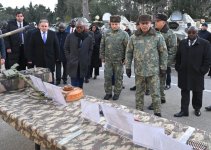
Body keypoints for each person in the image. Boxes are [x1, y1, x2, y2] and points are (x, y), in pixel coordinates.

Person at [125, 14, 168, 117]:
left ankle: (157, 112)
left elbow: (163, 52)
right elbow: (129, 52)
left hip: (153, 71)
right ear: (139, 24)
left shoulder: (157, 36)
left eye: (146, 23)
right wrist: (127, 67)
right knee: (139, 93)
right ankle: (139, 112)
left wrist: (163, 67)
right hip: (139, 71)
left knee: (155, 93)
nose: (144, 26)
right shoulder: (133, 37)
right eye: (142, 23)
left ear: (151, 23)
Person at [174, 26, 211, 117]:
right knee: (185, 92)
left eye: (193, 32)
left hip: (197, 73)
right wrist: (178, 67)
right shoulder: (183, 43)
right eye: (189, 32)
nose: (191, 34)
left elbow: (207, 59)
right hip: (184, 73)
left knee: (197, 93)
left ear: (197, 33)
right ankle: (184, 111)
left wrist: (203, 71)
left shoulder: (205, 44)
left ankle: (197, 108)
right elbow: (178, 56)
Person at [148, 13, 177, 110]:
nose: (155, 23)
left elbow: (172, 51)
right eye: (155, 21)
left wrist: (165, 65)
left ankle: (156, 102)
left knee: (156, 84)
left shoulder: (170, 34)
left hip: (162, 64)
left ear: (163, 22)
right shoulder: (154, 32)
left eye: (157, 21)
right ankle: (162, 98)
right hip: (153, 62)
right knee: (159, 83)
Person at [100, 15, 129, 100]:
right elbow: (102, 45)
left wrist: (126, 59)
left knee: (118, 77)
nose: (114, 26)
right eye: (112, 24)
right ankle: (108, 92)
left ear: (119, 24)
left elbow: (128, 48)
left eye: (116, 24)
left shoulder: (124, 34)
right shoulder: (106, 33)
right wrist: (102, 56)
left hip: (119, 61)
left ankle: (117, 93)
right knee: (107, 77)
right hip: (108, 60)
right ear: (110, 24)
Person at [28, 19, 60, 84]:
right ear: (39, 26)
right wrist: (30, 58)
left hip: (50, 59)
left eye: (45, 26)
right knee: (40, 76)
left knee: (50, 76)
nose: (44, 28)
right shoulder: (34, 34)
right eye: (42, 26)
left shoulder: (53, 34)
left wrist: (57, 57)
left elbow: (56, 46)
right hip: (39, 59)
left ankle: (51, 90)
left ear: (48, 26)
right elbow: (30, 47)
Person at [64, 19, 93, 88]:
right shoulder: (70, 36)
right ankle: (74, 96)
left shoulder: (88, 37)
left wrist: (87, 59)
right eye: (77, 27)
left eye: (81, 27)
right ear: (75, 27)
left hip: (83, 63)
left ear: (84, 27)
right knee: (74, 85)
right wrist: (69, 58)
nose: (79, 29)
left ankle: (79, 96)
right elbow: (66, 48)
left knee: (80, 84)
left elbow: (90, 49)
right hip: (73, 63)